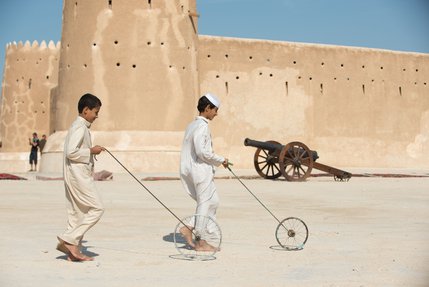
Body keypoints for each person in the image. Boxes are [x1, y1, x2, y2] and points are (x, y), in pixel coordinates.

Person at [56, 93, 105, 262]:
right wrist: (91, 151)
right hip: (78, 176)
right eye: (95, 112)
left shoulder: (79, 126)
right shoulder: (79, 127)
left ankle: (73, 251)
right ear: (86, 110)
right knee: (97, 208)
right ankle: (69, 239)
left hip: (75, 174)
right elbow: (71, 152)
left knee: (76, 214)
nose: (97, 116)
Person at [179, 93, 229, 251]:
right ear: (207, 108)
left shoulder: (192, 125)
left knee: (213, 202)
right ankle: (200, 241)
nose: (216, 113)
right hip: (200, 171)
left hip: (193, 170)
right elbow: (202, 152)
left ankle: (191, 227)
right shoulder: (202, 126)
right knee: (204, 203)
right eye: (215, 110)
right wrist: (221, 160)